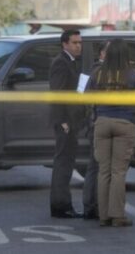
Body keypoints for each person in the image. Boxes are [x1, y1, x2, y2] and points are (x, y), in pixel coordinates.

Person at [86, 39, 135, 227]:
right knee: (118, 171)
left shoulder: (97, 73)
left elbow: (87, 97)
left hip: (102, 123)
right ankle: (117, 215)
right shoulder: (132, 75)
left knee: (104, 171)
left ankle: (103, 216)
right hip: (125, 122)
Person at [49, 30, 86, 218]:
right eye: (74, 42)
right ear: (65, 44)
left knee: (67, 163)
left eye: (80, 42)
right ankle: (61, 205)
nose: (78, 45)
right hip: (65, 122)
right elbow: (58, 94)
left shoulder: (72, 62)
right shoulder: (61, 62)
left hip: (72, 120)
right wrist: (62, 120)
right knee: (63, 163)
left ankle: (63, 204)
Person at [82, 41, 109, 220]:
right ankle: (95, 206)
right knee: (100, 167)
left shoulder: (90, 72)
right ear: (101, 54)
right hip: (98, 123)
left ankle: (90, 205)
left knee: (94, 166)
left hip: (94, 124)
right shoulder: (99, 73)